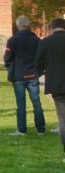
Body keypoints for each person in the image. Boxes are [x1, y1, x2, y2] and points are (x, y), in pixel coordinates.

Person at [4, 15, 46, 135]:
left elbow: (7, 58)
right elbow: (41, 57)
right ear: (29, 25)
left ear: (18, 26)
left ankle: (22, 129)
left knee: (21, 104)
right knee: (36, 102)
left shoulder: (12, 40)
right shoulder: (36, 40)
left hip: (18, 75)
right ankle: (41, 129)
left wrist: (11, 70)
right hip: (33, 75)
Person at [33, 18, 65, 157]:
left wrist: (45, 71)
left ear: (52, 27)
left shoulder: (45, 42)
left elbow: (38, 63)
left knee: (62, 118)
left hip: (56, 84)